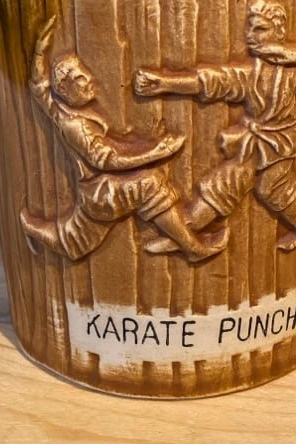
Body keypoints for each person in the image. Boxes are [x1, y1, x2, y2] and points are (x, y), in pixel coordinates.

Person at [20, 18, 227, 262]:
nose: (87, 79)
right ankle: (192, 248)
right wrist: (156, 152)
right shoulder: (75, 125)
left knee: (77, 243)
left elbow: (39, 87)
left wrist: (40, 51)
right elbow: (106, 160)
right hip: (102, 191)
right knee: (149, 185)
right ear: (64, 91)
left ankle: (31, 229)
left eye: (83, 73)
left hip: (97, 193)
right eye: (78, 79)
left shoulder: (61, 111)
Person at [134, 0, 296, 253]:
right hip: (253, 142)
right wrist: (166, 83)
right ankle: (185, 233)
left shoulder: (292, 74)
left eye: (260, 29)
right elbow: (214, 82)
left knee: (271, 190)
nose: (251, 35)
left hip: (280, 143)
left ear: (278, 32)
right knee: (224, 183)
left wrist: (282, 53)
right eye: (250, 28)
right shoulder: (251, 74)